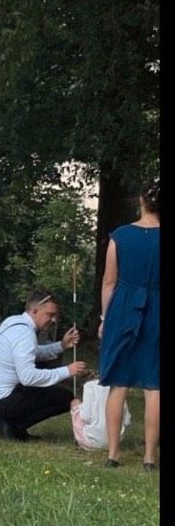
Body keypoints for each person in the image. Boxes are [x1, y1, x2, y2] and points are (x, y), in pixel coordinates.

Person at [98, 179, 160, 470]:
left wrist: (104, 319)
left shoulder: (120, 236)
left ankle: (113, 455)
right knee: (155, 384)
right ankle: (149, 458)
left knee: (118, 383)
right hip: (158, 310)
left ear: (140, 200)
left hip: (124, 309)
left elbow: (109, 281)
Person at [0, 289, 86, 441]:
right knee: (65, 398)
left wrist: (62, 345)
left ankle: (9, 423)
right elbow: (28, 378)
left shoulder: (13, 322)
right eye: (49, 315)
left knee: (45, 379)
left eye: (54, 316)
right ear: (35, 311)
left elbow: (34, 353)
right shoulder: (24, 334)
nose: (52, 320)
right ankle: (13, 426)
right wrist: (68, 371)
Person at [70, 373, 130, 450]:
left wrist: (80, 407)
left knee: (75, 402)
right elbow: (127, 421)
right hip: (115, 441)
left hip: (91, 441)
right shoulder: (119, 387)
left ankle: (79, 440)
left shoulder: (89, 386)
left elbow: (85, 416)